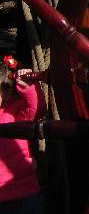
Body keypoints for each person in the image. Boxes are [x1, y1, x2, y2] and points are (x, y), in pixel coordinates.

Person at [0, 56, 46, 214]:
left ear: (4, 92)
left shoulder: (14, 112)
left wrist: (28, 87)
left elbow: (36, 109)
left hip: (23, 195)